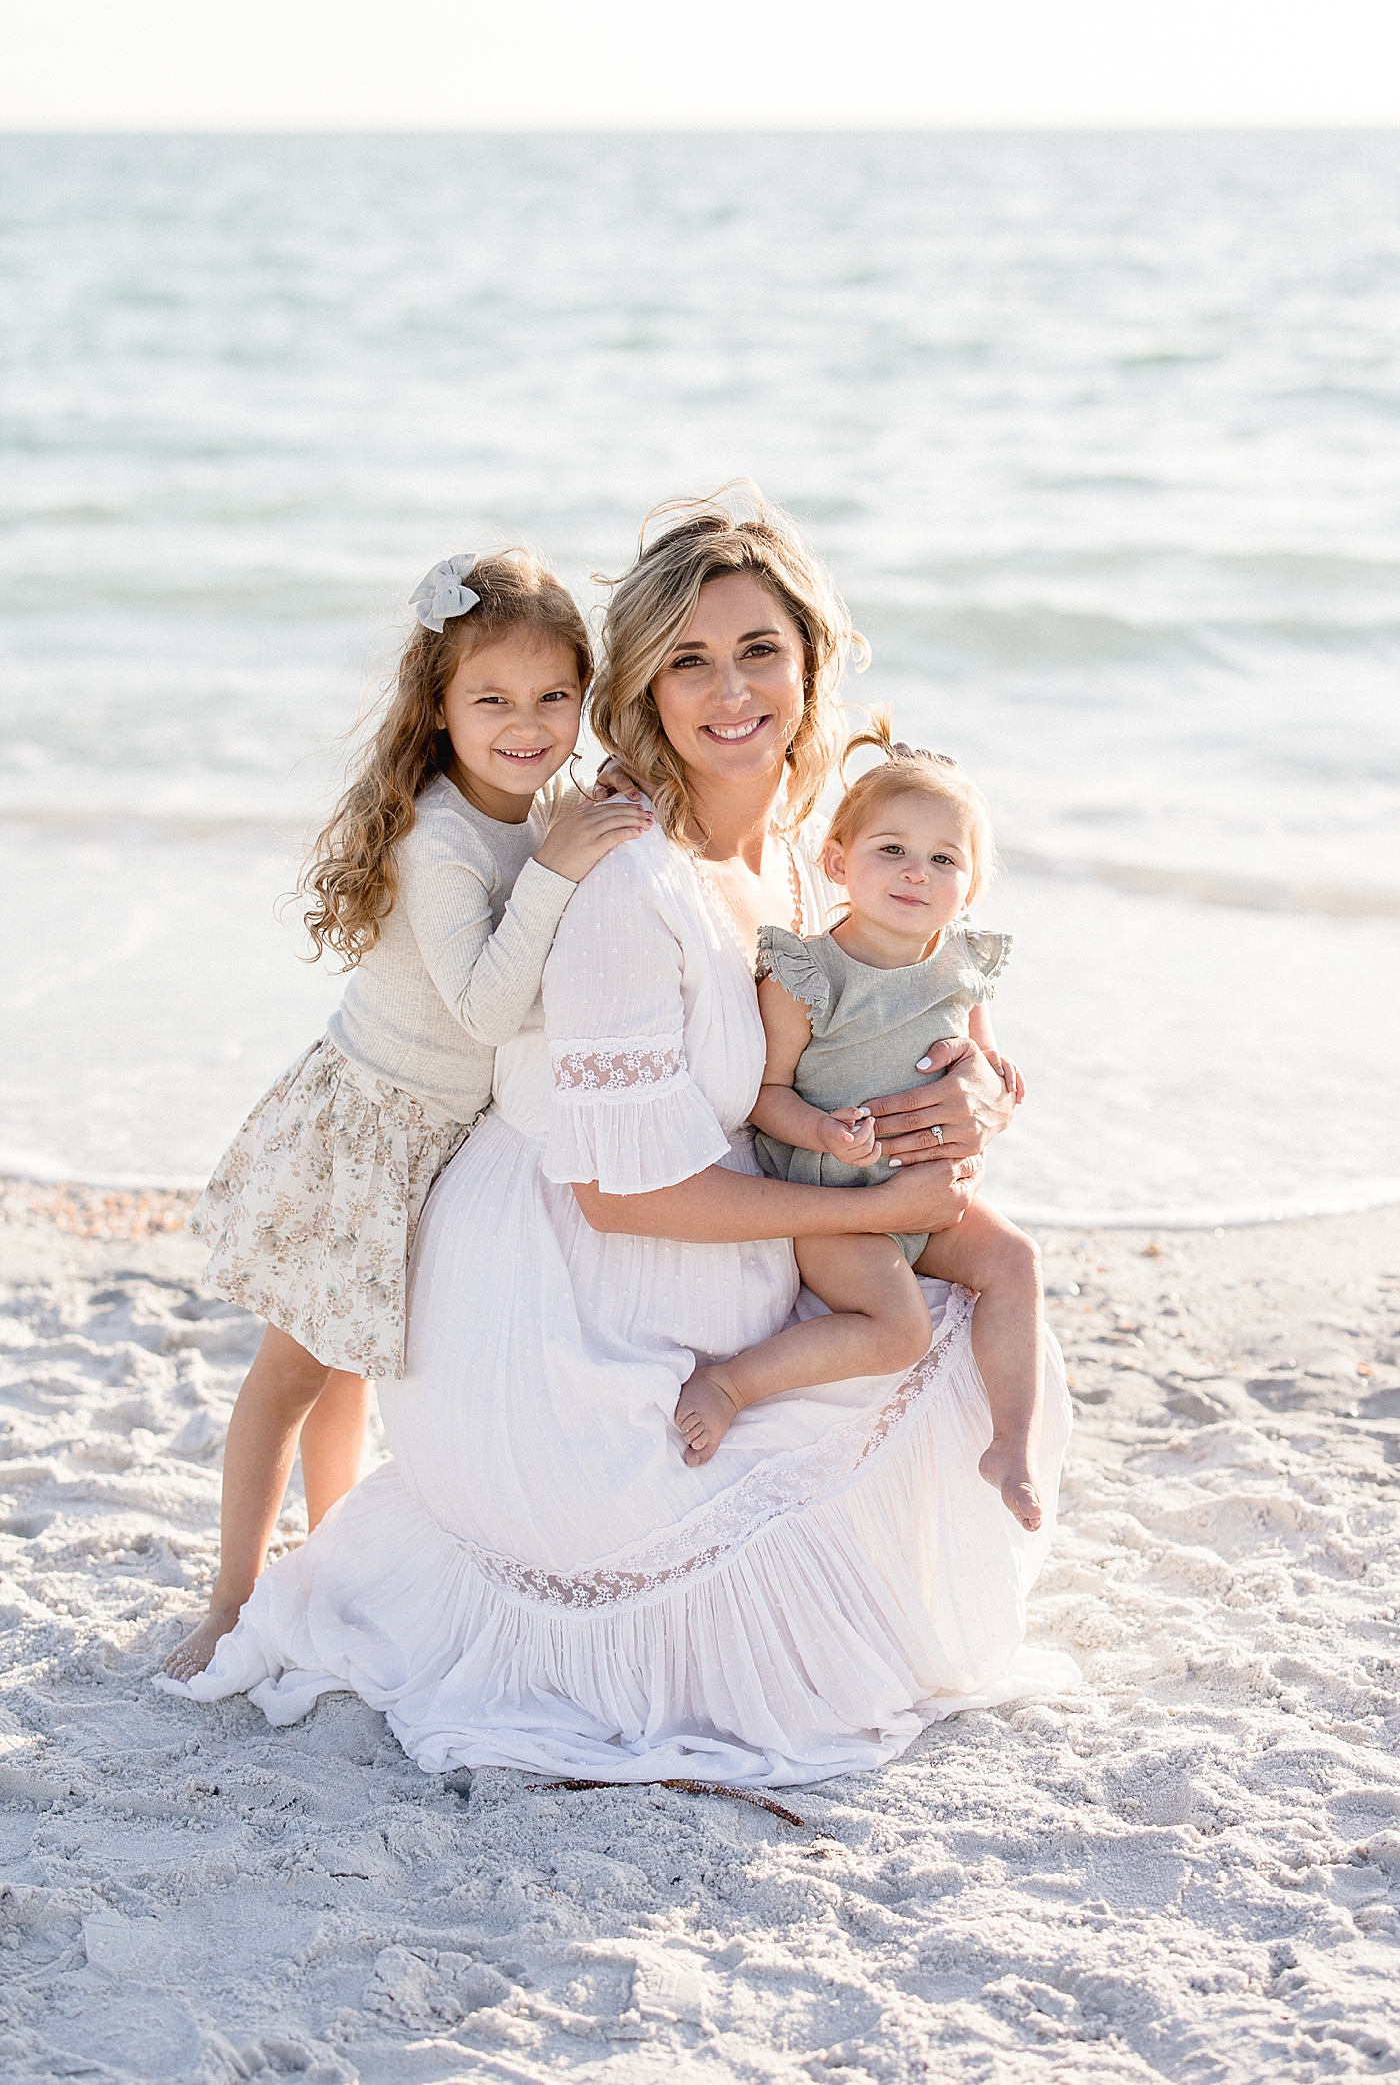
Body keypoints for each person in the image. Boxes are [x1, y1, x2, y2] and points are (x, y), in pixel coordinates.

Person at [165, 487, 1077, 1785]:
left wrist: (974, 1075)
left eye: (759, 649)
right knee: (904, 1368)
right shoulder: (620, 882)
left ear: (813, 659)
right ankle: (255, 1582)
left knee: (984, 1315)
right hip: (557, 1305)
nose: (729, 690)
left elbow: (897, 981)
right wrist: (867, 1210)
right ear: (643, 690)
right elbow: (615, 1196)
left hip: (679, 1235)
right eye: (688, 661)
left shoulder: (805, 851)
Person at [161, 549, 650, 1680]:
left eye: (550, 699)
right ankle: (232, 1596)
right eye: (490, 700)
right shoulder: (440, 840)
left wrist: (590, 829)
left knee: (356, 1365)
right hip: (369, 1131)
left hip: (442, 1140)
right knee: (294, 1369)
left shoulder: (540, 812)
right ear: (439, 707)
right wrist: (558, 871)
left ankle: (333, 1557)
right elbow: (485, 1007)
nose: (523, 725)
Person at [674, 712, 1044, 1534]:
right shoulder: (812, 972)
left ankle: (1011, 1443)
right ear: (840, 862)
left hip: (926, 1195)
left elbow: (981, 1069)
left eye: (944, 859)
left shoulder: (962, 965)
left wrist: (997, 1080)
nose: (917, 874)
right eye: (892, 850)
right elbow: (763, 1092)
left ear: (970, 885)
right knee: (898, 1327)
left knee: (1015, 1259)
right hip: (834, 1202)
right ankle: (732, 1385)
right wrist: (819, 1132)